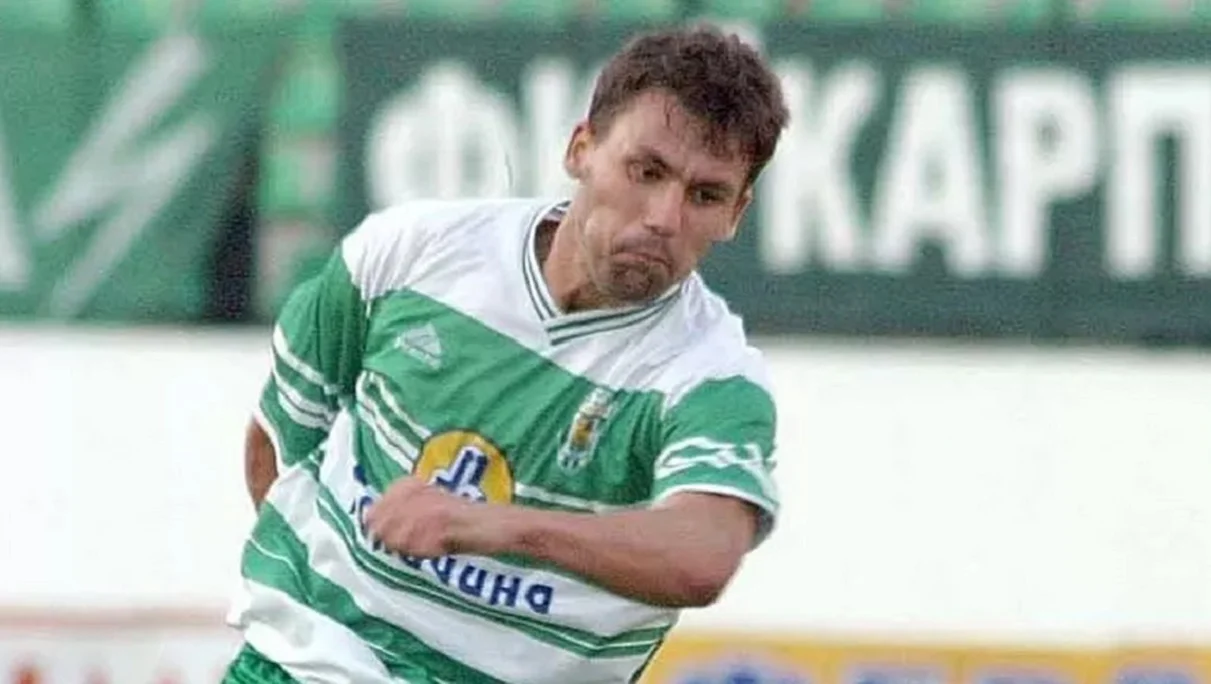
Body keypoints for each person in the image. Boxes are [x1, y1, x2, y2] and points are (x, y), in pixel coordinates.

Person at [222, 22, 790, 684]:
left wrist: (495, 527)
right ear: (581, 149)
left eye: (705, 195)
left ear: (735, 213)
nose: (664, 216)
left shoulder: (710, 378)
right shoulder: (410, 254)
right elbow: (277, 441)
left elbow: (702, 557)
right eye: (646, 171)